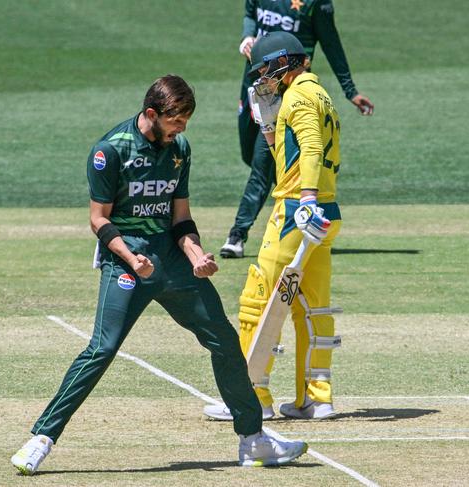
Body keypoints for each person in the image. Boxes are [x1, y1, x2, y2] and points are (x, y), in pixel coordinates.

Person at [10, 75, 308, 474]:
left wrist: (197, 253)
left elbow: (180, 217)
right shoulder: (109, 151)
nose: (182, 128)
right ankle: (41, 439)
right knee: (102, 348)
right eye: (176, 120)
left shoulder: (179, 149)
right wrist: (132, 259)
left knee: (222, 337)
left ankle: (252, 439)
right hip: (126, 262)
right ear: (152, 114)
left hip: (171, 260)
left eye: (185, 120)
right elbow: (98, 220)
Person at [205, 33, 342, 421]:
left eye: (266, 69)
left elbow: (311, 149)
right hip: (326, 213)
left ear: (285, 62)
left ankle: (253, 399)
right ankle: (316, 397)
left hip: (299, 210)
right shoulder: (320, 95)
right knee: (312, 307)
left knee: (258, 299)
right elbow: (294, 151)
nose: (262, 77)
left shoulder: (298, 98)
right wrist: (268, 125)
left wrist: (308, 199)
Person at [220, 0, 373, 258]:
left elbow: (331, 42)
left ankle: (238, 234)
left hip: (287, 86)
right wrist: (247, 37)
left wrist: (350, 90)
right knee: (255, 156)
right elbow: (250, 13)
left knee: (262, 164)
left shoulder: (316, 3)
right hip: (257, 81)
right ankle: (292, 207)